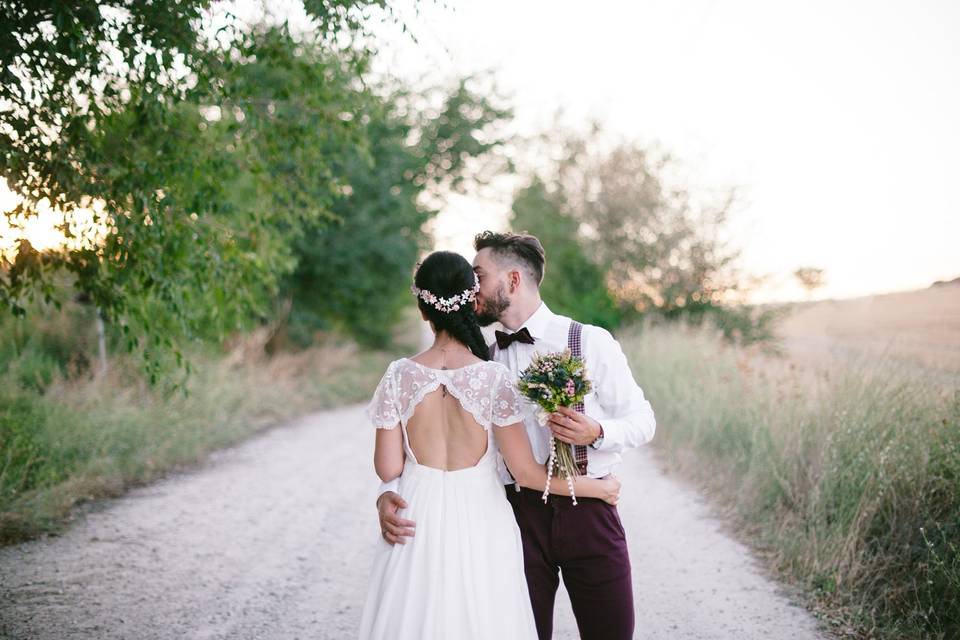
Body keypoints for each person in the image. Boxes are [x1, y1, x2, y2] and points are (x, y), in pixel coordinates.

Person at [377, 231, 657, 640]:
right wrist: (391, 491)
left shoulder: (590, 341)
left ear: (511, 280)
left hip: (589, 512)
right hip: (515, 515)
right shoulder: (479, 363)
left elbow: (643, 419)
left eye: (479, 275)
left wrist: (597, 431)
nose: (471, 288)